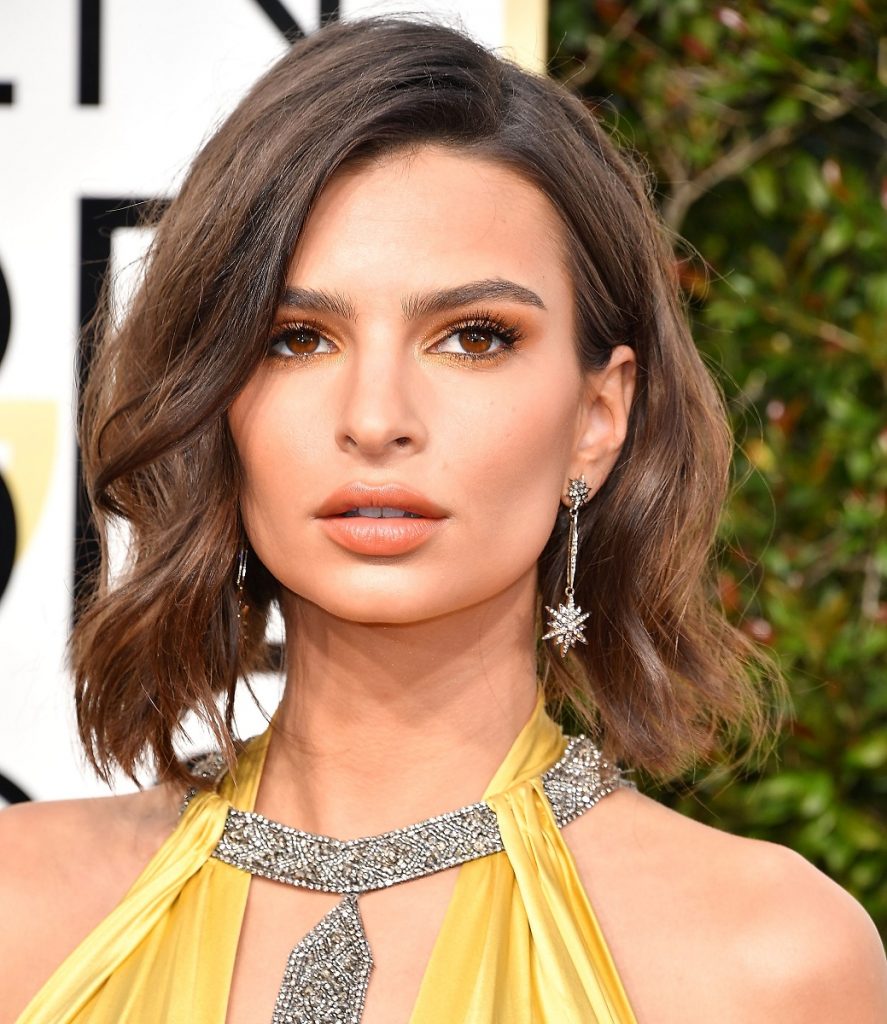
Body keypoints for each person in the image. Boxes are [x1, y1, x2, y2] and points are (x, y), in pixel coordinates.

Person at [1, 15, 885, 1024]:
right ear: (218, 397)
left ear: (597, 417)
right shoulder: (20, 912)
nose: (376, 418)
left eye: (472, 337)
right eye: (297, 339)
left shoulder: (762, 960)